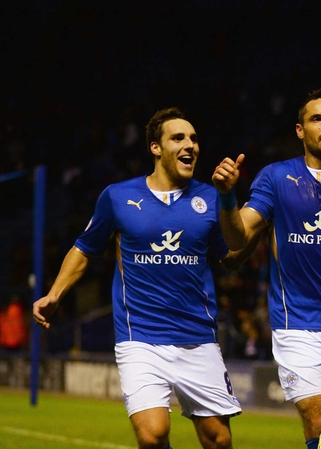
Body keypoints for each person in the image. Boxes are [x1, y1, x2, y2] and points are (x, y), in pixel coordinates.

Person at [33, 107, 241, 449]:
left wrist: (231, 200)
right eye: (178, 138)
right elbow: (84, 248)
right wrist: (55, 294)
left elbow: (231, 255)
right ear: (155, 147)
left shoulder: (209, 197)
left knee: (218, 440)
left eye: (193, 138)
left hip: (198, 337)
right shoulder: (117, 197)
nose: (190, 145)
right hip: (140, 337)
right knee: (152, 435)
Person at [212, 87, 321, 449]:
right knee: (320, 421)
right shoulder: (275, 177)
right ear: (300, 130)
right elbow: (238, 238)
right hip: (298, 324)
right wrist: (226, 196)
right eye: (317, 119)